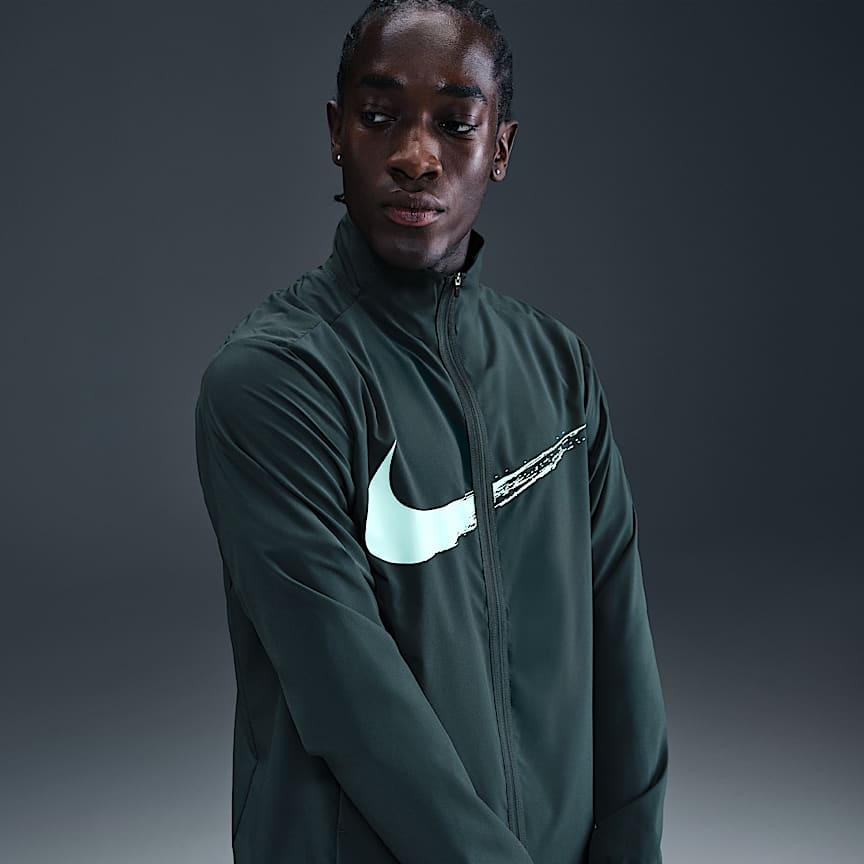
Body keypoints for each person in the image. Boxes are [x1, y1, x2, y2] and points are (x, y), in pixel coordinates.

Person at [194, 1, 668, 862]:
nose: (416, 155)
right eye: (380, 116)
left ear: (501, 148)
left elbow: (620, 649)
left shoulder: (557, 366)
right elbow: (353, 705)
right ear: (337, 133)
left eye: (455, 123)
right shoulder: (273, 380)